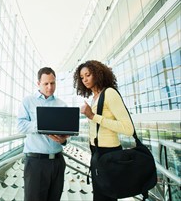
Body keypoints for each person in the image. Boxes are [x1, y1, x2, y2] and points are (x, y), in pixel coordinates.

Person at [73, 60, 134, 201]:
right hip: (97, 153)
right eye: (82, 77)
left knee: (106, 197)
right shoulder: (95, 98)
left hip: (109, 154)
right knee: (99, 196)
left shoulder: (110, 93)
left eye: (88, 75)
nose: (85, 80)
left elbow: (128, 128)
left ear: (98, 74)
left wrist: (93, 116)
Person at [17, 67, 69, 201]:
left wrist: (63, 140)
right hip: (36, 163)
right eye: (46, 84)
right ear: (38, 83)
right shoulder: (28, 101)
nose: (50, 87)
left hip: (57, 162)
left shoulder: (62, 105)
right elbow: (20, 126)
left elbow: (66, 136)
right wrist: (42, 125)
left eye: (53, 83)